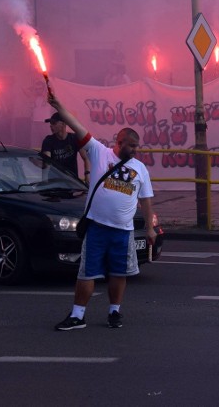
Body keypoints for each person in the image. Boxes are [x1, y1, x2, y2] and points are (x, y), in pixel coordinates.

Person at [48, 93, 157, 331]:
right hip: (97, 227)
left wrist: (149, 227)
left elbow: (146, 200)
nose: (135, 151)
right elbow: (77, 125)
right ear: (119, 142)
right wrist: (59, 106)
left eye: (137, 146)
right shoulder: (99, 152)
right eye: (132, 146)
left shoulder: (140, 169)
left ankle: (114, 312)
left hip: (123, 231)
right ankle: (78, 316)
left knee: (120, 272)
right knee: (87, 272)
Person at [41, 112, 91, 182]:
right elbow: (47, 162)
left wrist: (87, 174)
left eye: (54, 123)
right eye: (50, 123)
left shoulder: (74, 138)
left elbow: (86, 158)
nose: (51, 126)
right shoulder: (48, 140)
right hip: (55, 182)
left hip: (72, 182)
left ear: (63, 123)